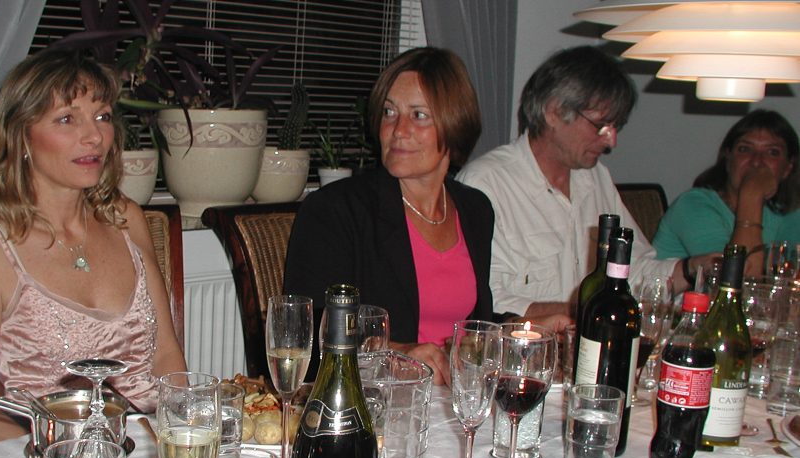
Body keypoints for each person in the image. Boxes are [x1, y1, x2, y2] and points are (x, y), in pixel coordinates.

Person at [0, 49, 185, 420]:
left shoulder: (125, 218)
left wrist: (184, 432)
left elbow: (167, 358)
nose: (94, 136)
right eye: (66, 119)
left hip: (148, 444)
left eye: (102, 116)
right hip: (41, 450)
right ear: (20, 137)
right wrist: (60, 446)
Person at [283, 47, 494, 386]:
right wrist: (394, 355)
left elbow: (473, 327)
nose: (398, 129)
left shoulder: (475, 210)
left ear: (455, 124)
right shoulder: (335, 210)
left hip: (452, 397)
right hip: (372, 400)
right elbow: (305, 338)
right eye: (389, 112)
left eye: (419, 115)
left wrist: (519, 327)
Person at [457, 45, 705, 323]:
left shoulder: (595, 177)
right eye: (600, 126)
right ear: (553, 112)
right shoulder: (486, 184)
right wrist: (586, 311)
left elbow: (631, 269)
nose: (611, 142)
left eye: (616, 127)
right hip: (526, 347)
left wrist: (691, 269)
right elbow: (483, 303)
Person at [653, 109, 799, 277]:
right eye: (745, 149)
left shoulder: (787, 212)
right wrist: (752, 196)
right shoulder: (692, 205)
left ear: (788, 168)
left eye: (772, 152)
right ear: (728, 159)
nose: (757, 161)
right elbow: (735, 279)